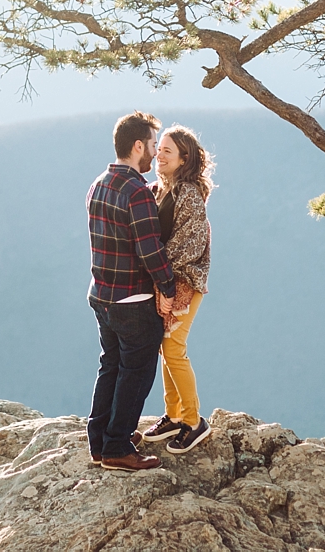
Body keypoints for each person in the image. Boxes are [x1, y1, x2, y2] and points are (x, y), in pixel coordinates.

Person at [86, 110, 178, 472]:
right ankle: (118, 447)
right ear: (138, 145)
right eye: (154, 145)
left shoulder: (99, 183)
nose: (156, 153)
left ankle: (101, 441)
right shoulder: (137, 192)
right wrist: (168, 288)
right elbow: (150, 249)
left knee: (110, 365)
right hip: (133, 300)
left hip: (101, 295)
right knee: (136, 372)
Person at [140, 125, 215, 454]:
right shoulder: (160, 189)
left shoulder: (189, 194)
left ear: (184, 159)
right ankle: (174, 415)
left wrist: (165, 284)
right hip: (167, 282)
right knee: (164, 348)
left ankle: (195, 422)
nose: (159, 155)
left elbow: (189, 245)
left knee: (173, 349)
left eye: (167, 151)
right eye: (159, 150)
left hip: (185, 283)